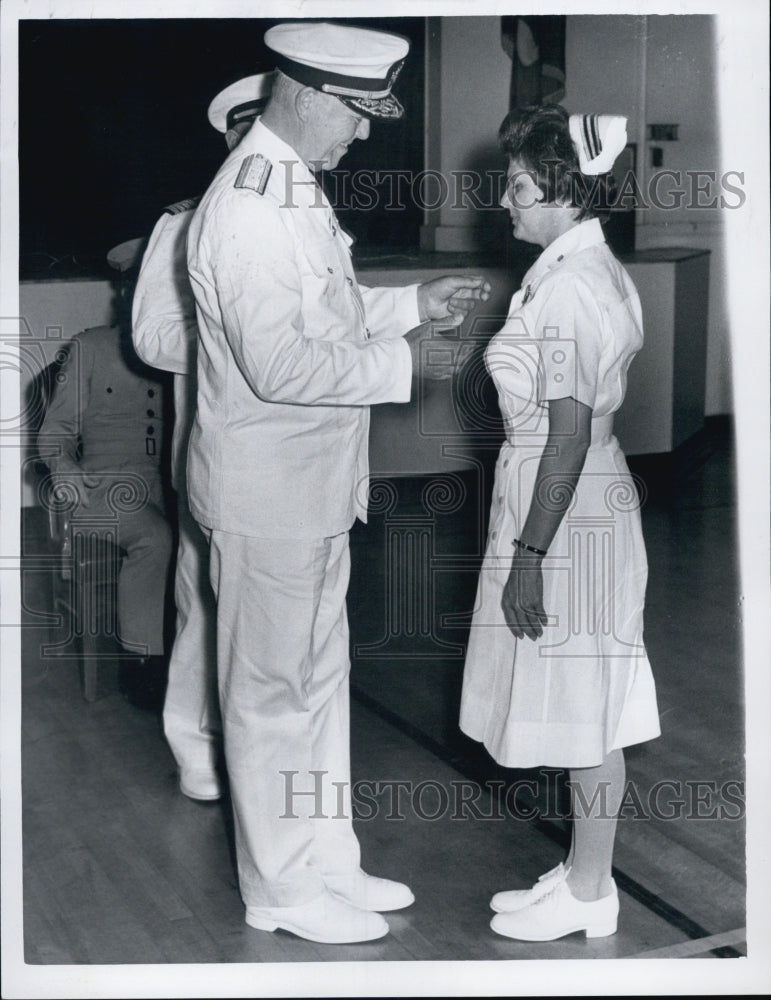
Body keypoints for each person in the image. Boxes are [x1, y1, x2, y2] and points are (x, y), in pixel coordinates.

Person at [186, 21, 490, 944]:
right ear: (310, 95)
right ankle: (277, 889)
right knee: (270, 696)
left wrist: (408, 305)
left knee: (318, 684)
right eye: (358, 114)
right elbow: (280, 363)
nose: (363, 135)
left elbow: (325, 306)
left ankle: (325, 860)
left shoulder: (292, 189)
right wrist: (408, 360)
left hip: (312, 487)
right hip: (267, 496)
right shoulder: (244, 207)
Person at [459, 104, 660, 941]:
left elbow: (568, 431)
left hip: (566, 506)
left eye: (516, 187)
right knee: (582, 698)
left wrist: (530, 553)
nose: (503, 200)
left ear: (564, 195)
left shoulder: (574, 286)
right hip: (563, 489)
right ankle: (581, 871)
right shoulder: (570, 267)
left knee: (586, 705)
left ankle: (590, 893)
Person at [132, 72, 275, 803]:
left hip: (287, 456)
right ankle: (195, 743)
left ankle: (261, 748)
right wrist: (239, 333)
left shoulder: (305, 219)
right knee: (205, 601)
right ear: (229, 139)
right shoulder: (185, 223)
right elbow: (153, 336)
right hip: (211, 447)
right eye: (248, 134)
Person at [38, 239, 173, 704]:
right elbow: (53, 431)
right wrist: (63, 467)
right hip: (103, 488)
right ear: (124, 292)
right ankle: (142, 663)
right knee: (155, 539)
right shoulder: (90, 347)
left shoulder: (184, 351)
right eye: (139, 287)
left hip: (170, 485)